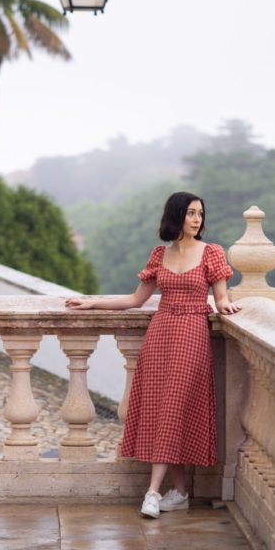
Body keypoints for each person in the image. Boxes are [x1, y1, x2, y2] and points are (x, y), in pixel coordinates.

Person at [65, 191, 241, 518]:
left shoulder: (211, 252)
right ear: (176, 216)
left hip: (192, 334)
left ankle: (152, 493)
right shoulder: (160, 254)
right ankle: (181, 493)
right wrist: (93, 303)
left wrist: (227, 306)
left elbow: (220, 299)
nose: (197, 219)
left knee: (174, 406)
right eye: (190, 213)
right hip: (159, 336)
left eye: (200, 213)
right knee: (162, 411)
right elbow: (135, 299)